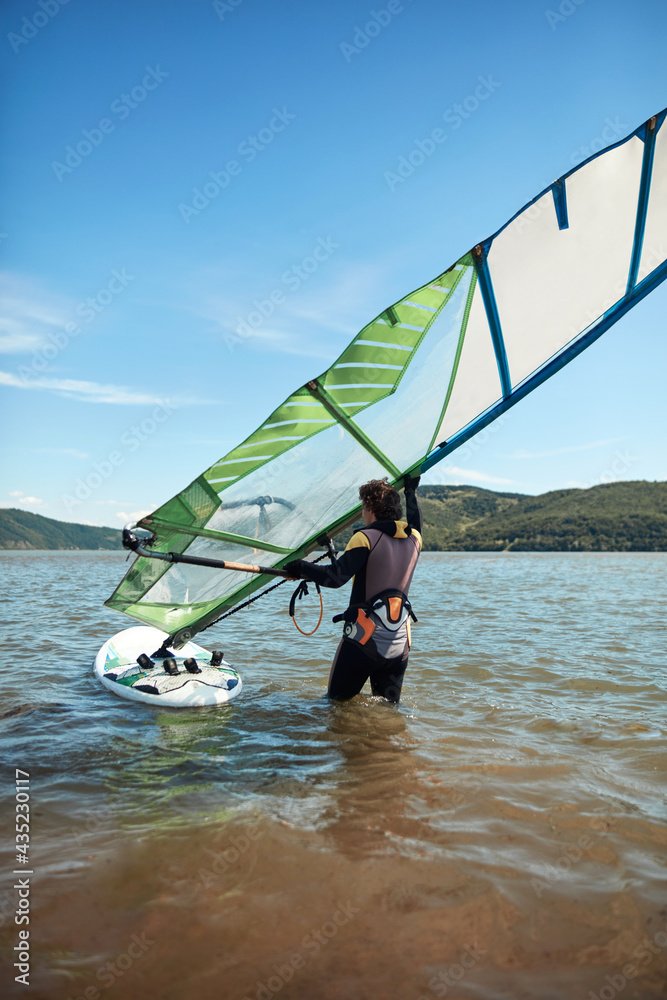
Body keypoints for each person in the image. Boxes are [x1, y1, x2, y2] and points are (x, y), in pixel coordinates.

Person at [285, 474, 422, 703]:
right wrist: (411, 491)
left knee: (335, 705)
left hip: (363, 642)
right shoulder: (414, 539)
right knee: (387, 711)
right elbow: (416, 522)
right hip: (399, 644)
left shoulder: (365, 538)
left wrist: (299, 566)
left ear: (369, 508)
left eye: (363, 507)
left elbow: (335, 577)